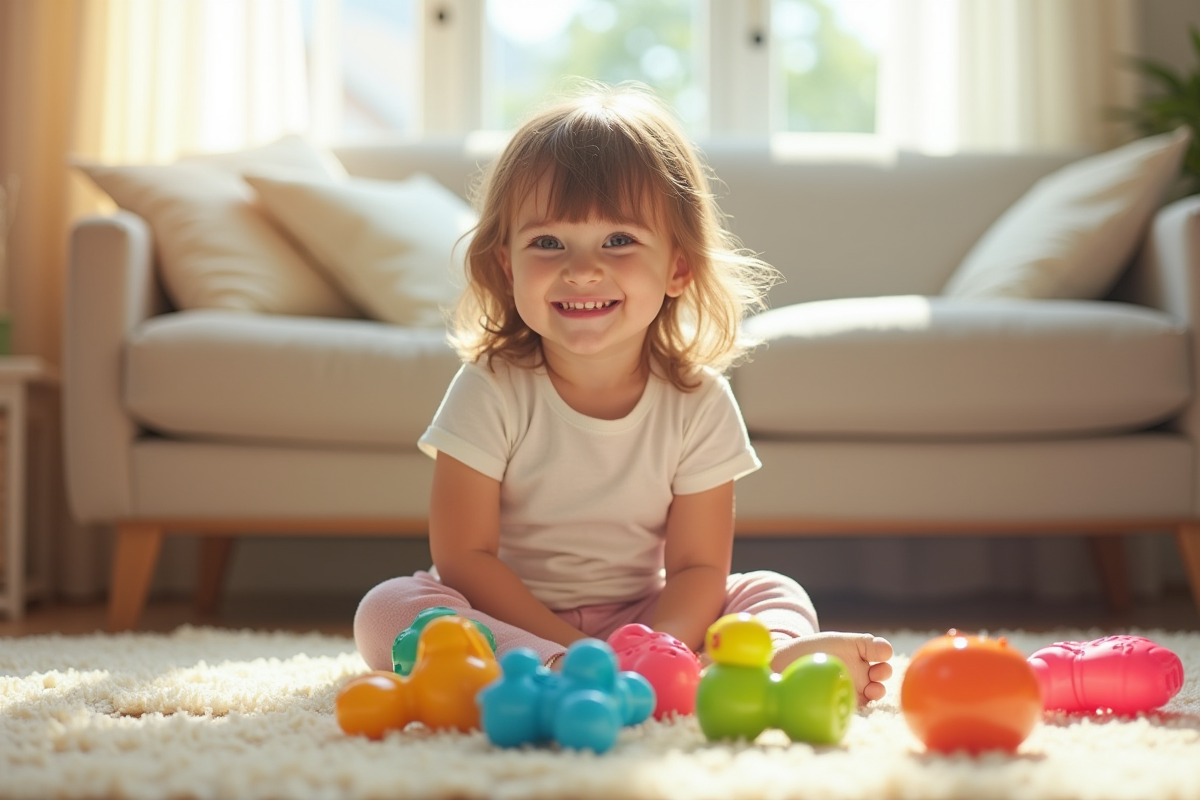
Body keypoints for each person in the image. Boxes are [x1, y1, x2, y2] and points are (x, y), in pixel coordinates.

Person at [354, 81, 893, 704]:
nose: (582, 269)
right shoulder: (489, 388)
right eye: (547, 243)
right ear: (507, 265)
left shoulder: (701, 401)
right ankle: (562, 670)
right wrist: (573, 651)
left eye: (619, 241)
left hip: (647, 614)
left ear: (678, 267)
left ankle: (758, 661)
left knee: (769, 589)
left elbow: (697, 567)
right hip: (510, 620)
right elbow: (465, 558)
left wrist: (654, 647)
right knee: (389, 607)